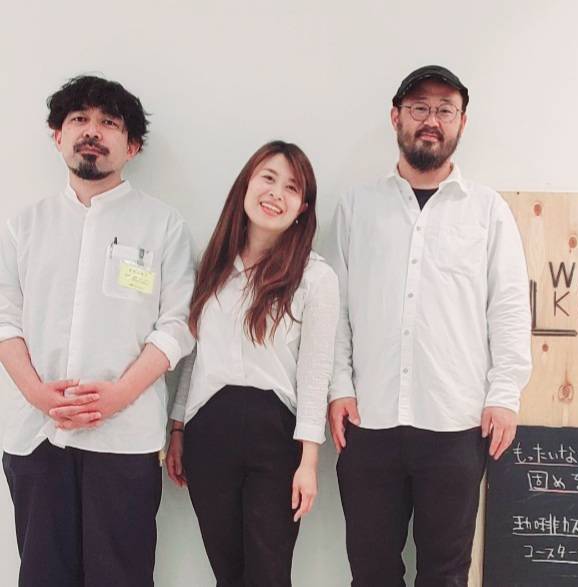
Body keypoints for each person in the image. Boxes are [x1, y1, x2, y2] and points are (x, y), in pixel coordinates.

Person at [326, 65, 532, 586]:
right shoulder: (357, 207)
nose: (431, 121)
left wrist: (504, 393)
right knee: (371, 571)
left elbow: (509, 306)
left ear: (462, 121)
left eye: (445, 110)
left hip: (457, 422)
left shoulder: (487, 210)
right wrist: (340, 386)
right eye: (419, 108)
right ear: (396, 117)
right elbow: (335, 308)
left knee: (445, 573)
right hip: (369, 420)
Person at [0, 75, 195, 586]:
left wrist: (118, 396)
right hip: (35, 434)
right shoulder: (25, 226)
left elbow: (177, 324)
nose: (92, 131)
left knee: (122, 576)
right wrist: (38, 394)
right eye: (79, 120)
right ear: (57, 135)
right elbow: (5, 319)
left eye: (109, 122)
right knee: (42, 575)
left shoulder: (163, 225)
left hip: (125, 437)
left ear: (132, 146)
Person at [166, 140, 339, 587]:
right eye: (268, 178)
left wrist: (308, 461)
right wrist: (178, 427)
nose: (276, 193)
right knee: (227, 573)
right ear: (246, 184)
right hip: (208, 432)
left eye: (292, 188)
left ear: (302, 208)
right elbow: (194, 352)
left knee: (269, 573)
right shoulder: (212, 265)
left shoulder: (314, 277)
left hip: (275, 436)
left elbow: (315, 372)